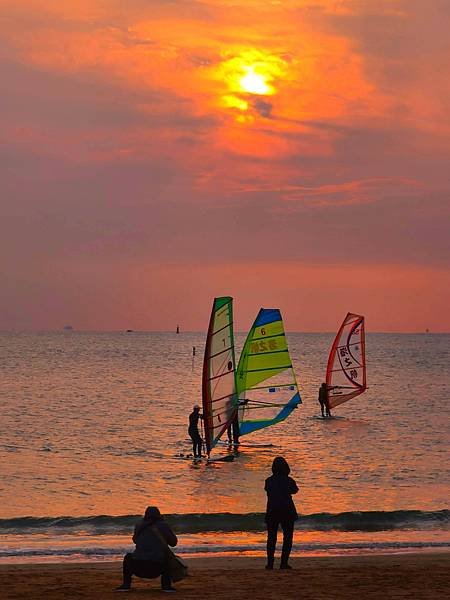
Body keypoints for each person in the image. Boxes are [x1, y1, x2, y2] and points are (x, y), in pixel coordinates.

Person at [116, 506, 178, 592]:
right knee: (167, 556)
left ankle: (126, 585)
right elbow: (173, 543)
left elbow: (135, 541)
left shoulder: (139, 525)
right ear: (159, 515)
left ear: (145, 515)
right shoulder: (163, 525)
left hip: (137, 567)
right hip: (156, 568)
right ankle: (166, 586)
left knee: (128, 557)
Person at [264, 456, 299, 570]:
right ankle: (284, 563)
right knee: (288, 538)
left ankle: (270, 564)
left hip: (272, 511)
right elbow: (295, 490)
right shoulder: (289, 481)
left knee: (271, 538)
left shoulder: (269, 481)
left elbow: (267, 490)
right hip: (287, 511)